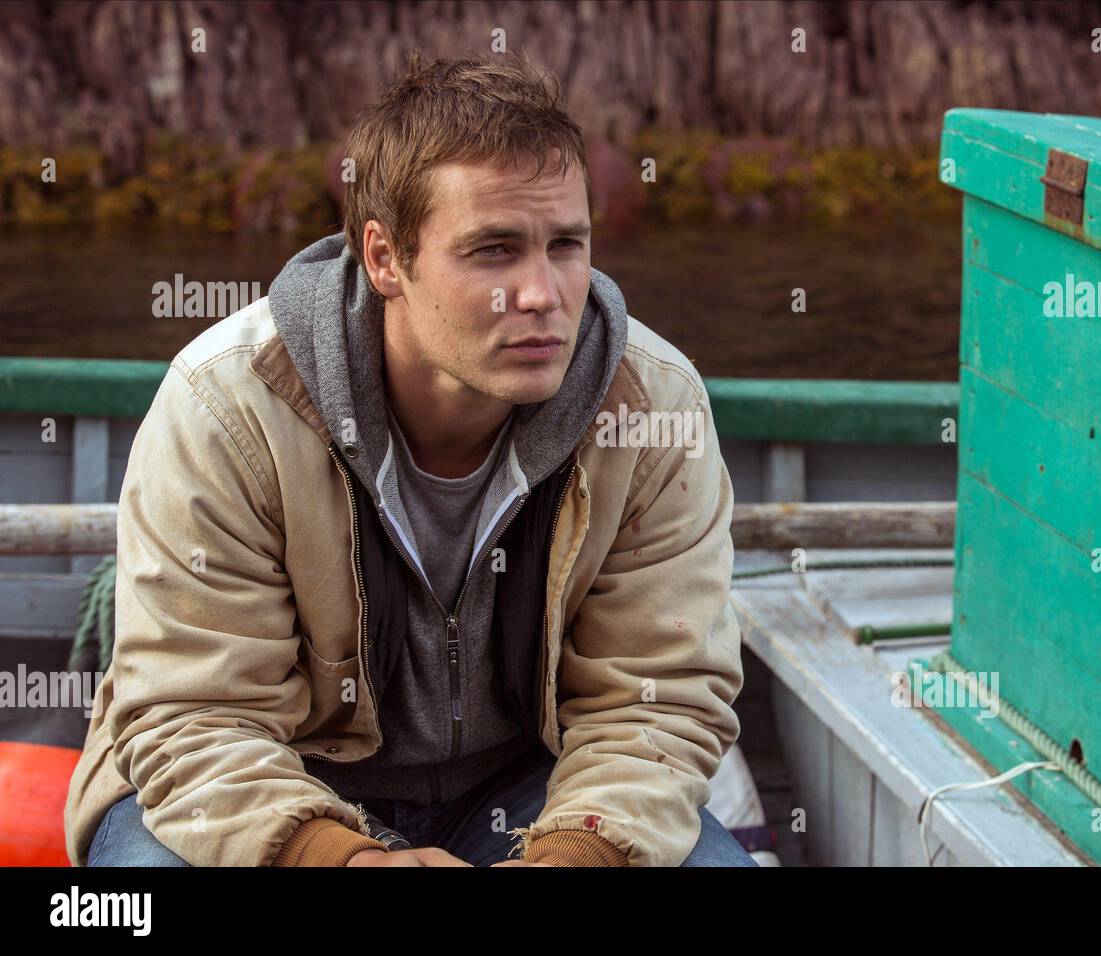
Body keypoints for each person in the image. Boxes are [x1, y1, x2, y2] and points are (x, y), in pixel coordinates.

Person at [63, 50, 753, 868]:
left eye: (565, 244)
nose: (542, 294)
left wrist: (571, 856)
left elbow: (656, 703)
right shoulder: (228, 407)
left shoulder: (650, 409)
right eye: (494, 250)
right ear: (385, 258)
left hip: (536, 787)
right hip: (273, 781)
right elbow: (193, 715)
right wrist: (345, 859)